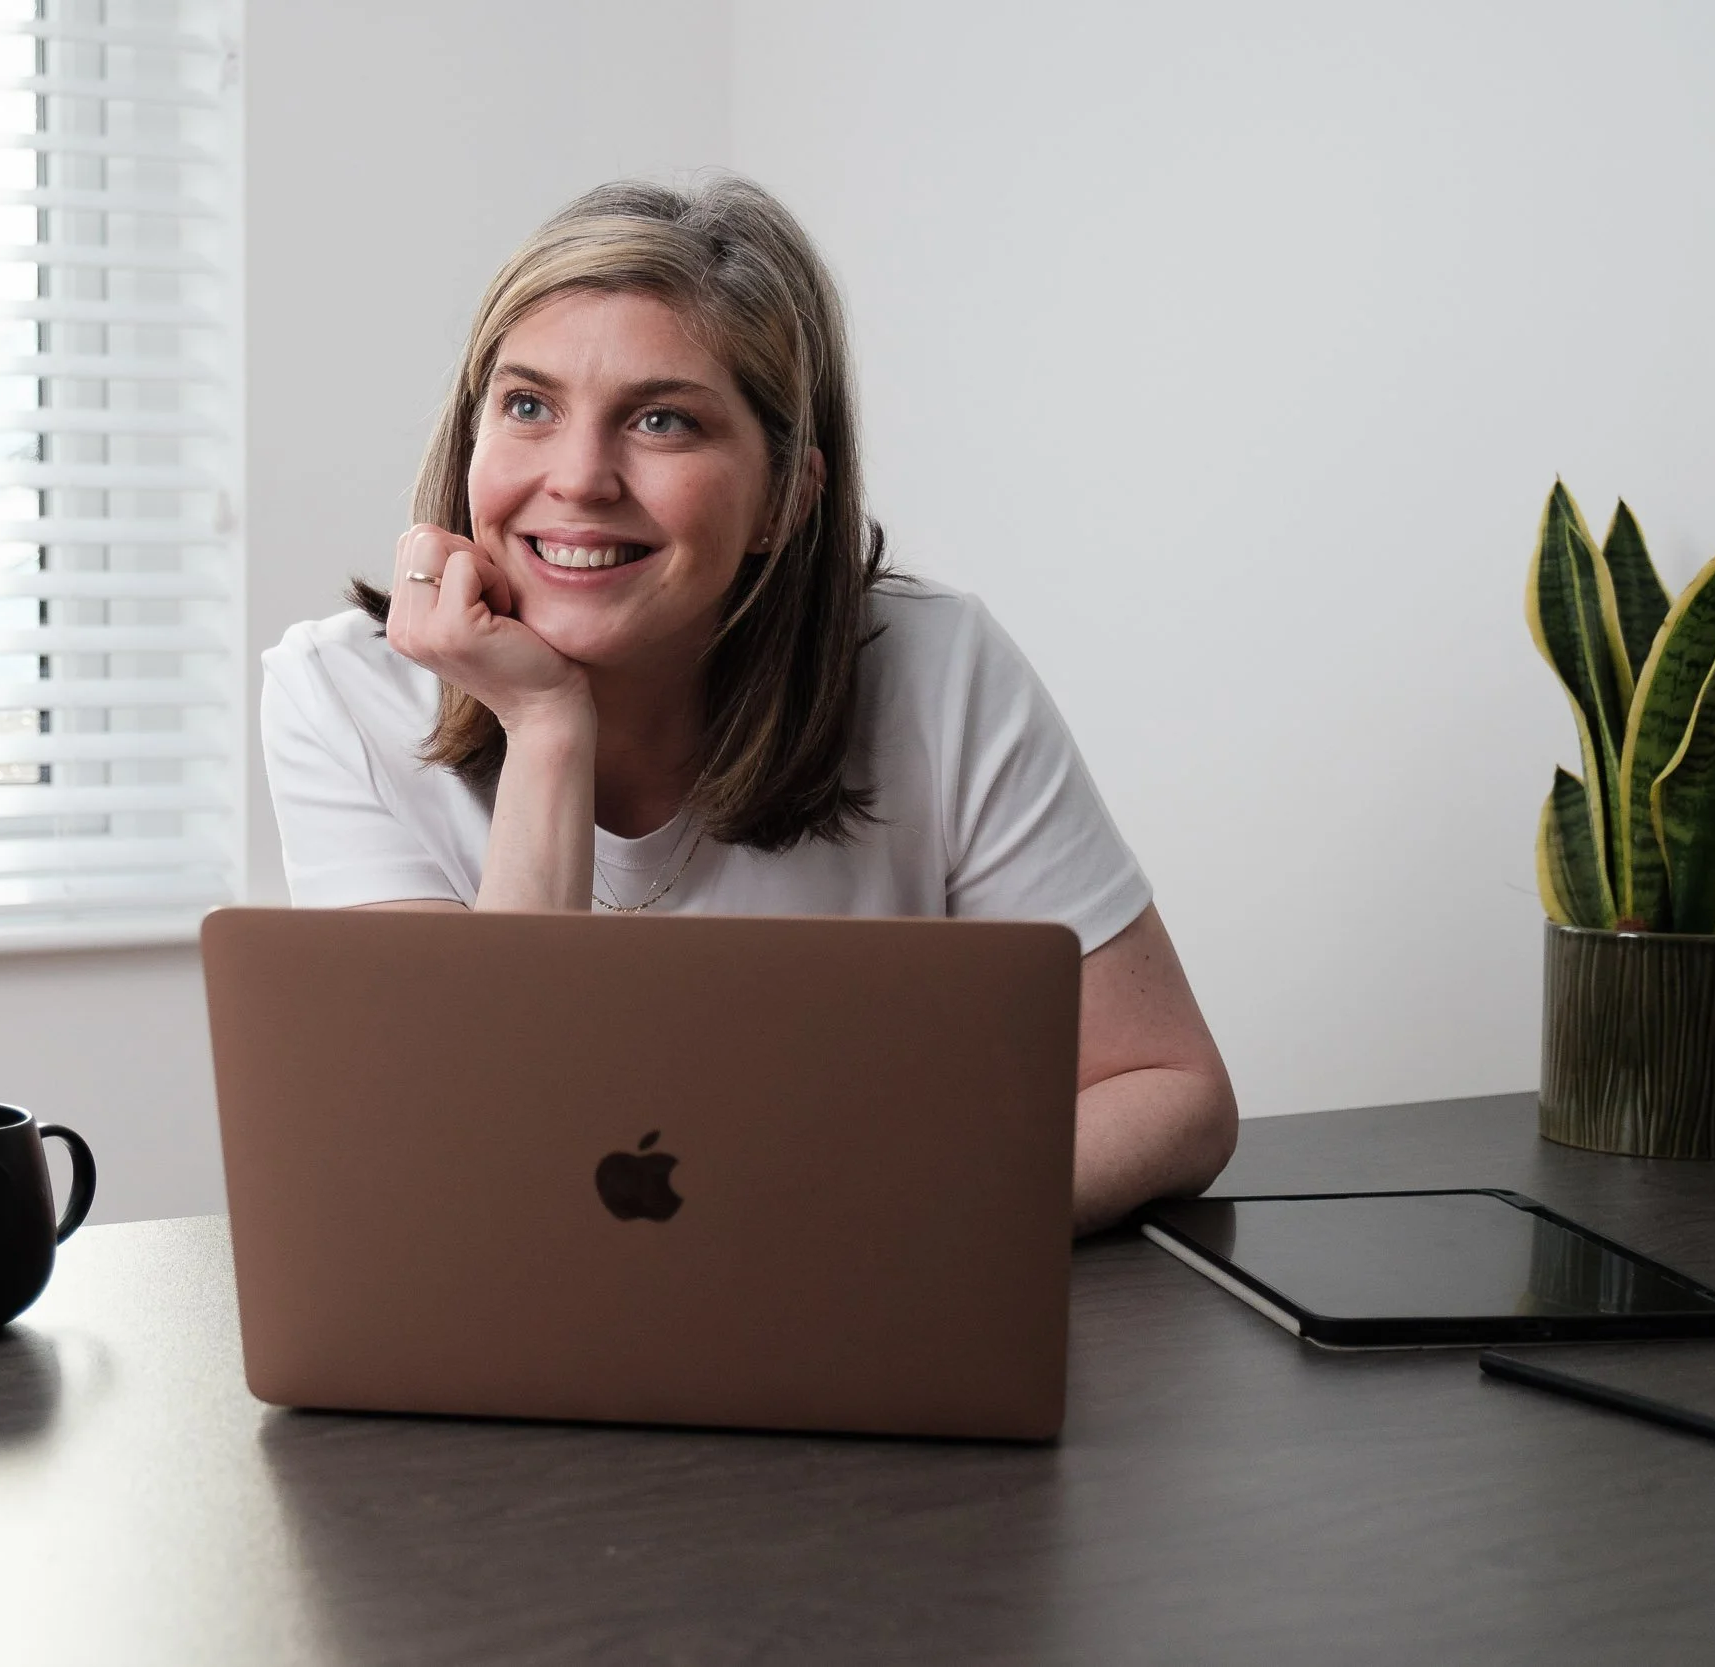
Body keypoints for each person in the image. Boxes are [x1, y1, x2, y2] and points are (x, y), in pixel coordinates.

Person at [262, 175, 1235, 1235]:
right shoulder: (338, 694)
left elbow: (1168, 1088)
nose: (579, 477)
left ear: (784, 496)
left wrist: (866, 1232)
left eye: (662, 420)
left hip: (862, 1317)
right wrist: (546, 727)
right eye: (528, 404)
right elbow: (488, 1168)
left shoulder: (935, 666)